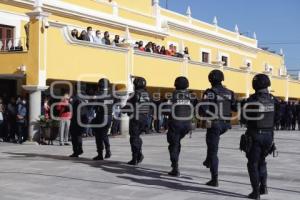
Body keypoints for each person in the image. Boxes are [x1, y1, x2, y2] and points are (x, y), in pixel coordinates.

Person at [241, 74, 279, 200]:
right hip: (269, 136)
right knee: (262, 161)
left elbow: (244, 119)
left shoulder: (252, 100)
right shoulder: (274, 99)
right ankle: (264, 187)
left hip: (255, 135)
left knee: (253, 164)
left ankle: (255, 192)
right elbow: (277, 118)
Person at [200, 69, 236, 187]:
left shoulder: (209, 92)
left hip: (215, 123)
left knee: (213, 150)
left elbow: (203, 108)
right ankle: (208, 159)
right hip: (226, 124)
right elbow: (235, 108)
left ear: (210, 79)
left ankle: (214, 179)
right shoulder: (230, 92)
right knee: (210, 143)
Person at [167, 77, 194, 177]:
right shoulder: (190, 95)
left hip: (176, 123)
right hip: (187, 124)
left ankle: (175, 168)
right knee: (177, 143)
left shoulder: (173, 95)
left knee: (173, 145)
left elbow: (166, 108)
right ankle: (175, 165)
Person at [124, 77, 151, 165]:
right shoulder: (147, 94)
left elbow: (128, 106)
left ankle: (135, 157)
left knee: (134, 138)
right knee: (137, 138)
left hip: (136, 118)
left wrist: (122, 110)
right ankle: (138, 155)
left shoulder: (134, 94)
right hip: (145, 118)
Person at [92, 78, 114, 160]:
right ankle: (108, 150)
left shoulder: (99, 93)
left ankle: (100, 154)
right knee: (104, 134)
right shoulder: (111, 94)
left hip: (101, 116)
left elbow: (93, 104)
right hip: (109, 116)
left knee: (98, 135)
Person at [69, 92, 85, 158]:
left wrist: (70, 102)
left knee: (74, 136)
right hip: (82, 120)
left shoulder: (75, 100)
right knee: (79, 136)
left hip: (75, 120)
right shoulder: (83, 100)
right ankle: (79, 149)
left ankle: (76, 151)